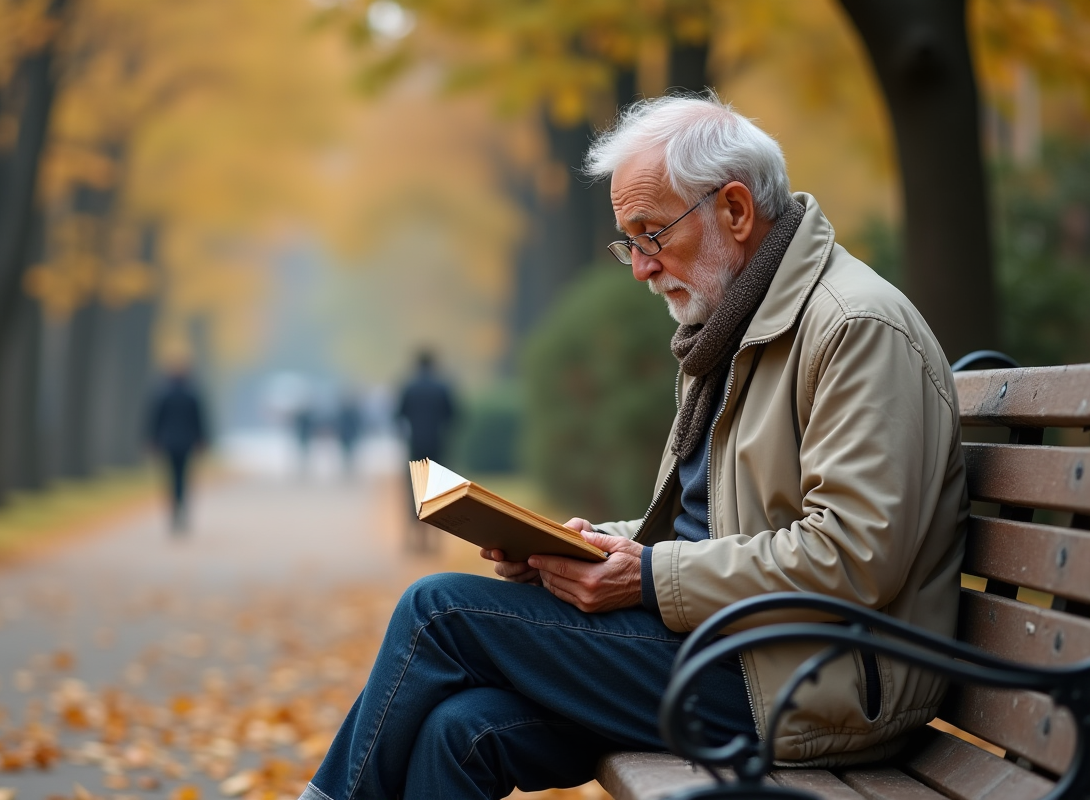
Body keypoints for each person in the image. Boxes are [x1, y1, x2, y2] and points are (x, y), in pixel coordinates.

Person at [299, 93, 967, 800]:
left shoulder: (855, 328)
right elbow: (710, 530)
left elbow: (853, 556)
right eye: (631, 242)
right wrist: (577, 549)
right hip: (733, 650)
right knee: (459, 730)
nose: (641, 267)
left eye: (652, 234)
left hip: (814, 682)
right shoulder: (735, 324)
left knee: (439, 611)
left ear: (735, 212)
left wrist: (645, 576)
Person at [396, 349, 457, 552]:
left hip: (415, 444)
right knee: (436, 491)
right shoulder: (442, 387)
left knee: (415, 491)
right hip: (437, 445)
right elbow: (453, 415)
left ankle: (414, 540)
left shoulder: (409, 386)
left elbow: (399, 414)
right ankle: (434, 541)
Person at [147, 364, 208, 532]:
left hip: (168, 442)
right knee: (183, 477)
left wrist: (153, 440)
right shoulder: (192, 395)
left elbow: (155, 419)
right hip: (186, 443)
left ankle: (175, 510)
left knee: (171, 478)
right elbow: (199, 420)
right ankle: (181, 508)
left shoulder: (163, 395)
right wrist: (201, 440)